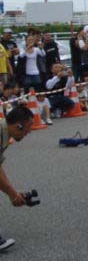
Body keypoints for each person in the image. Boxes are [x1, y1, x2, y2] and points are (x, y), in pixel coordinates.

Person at [0, 106, 35, 252]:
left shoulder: (4, 133)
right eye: (28, 126)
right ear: (18, 125)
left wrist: (12, 194)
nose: (29, 131)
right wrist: (12, 194)